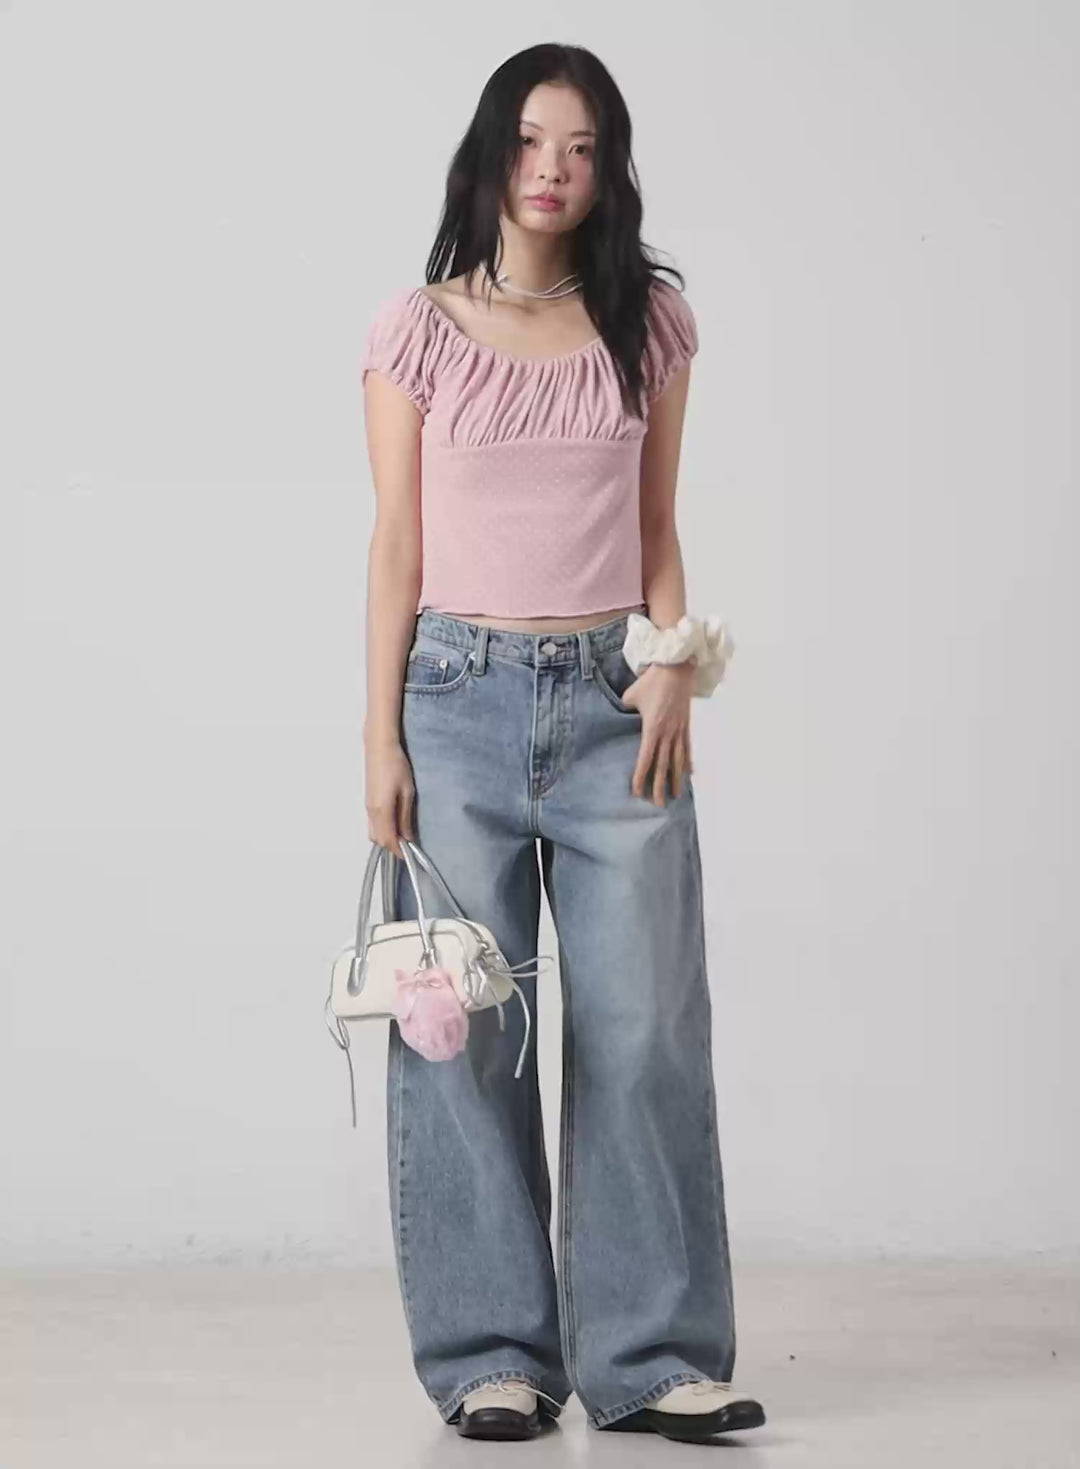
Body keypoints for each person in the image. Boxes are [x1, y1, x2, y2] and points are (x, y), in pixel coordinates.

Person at [359, 42, 766, 1447]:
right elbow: (395, 544)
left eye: (583, 147)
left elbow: (657, 529)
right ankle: (493, 1358)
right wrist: (377, 739)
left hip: (616, 710)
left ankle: (653, 1358)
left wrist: (673, 670)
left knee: (647, 1028)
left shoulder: (647, 324)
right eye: (532, 141)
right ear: (490, 153)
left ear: (609, 169)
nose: (554, 169)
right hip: (454, 702)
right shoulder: (417, 330)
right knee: (461, 1035)